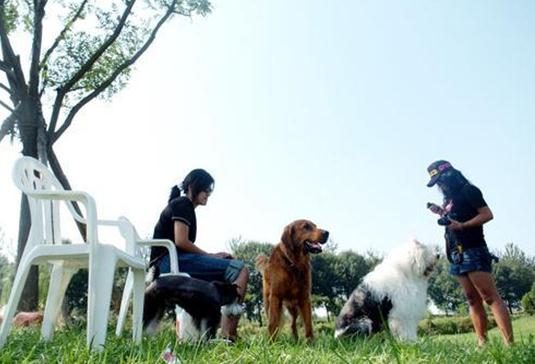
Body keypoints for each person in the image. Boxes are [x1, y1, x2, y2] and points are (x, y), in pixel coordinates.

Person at [149, 168, 249, 341]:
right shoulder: (183, 204)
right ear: (193, 187)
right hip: (167, 263)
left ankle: (216, 333)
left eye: (209, 190)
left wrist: (212, 257)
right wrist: (211, 256)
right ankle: (229, 334)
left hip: (169, 262)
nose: (208, 193)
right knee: (239, 270)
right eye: (205, 189)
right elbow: (181, 241)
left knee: (229, 273)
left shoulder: (184, 206)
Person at [426, 160, 513, 346]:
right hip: (456, 253)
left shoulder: (469, 190)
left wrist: (463, 226)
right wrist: (441, 213)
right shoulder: (448, 199)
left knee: (489, 296)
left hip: (473, 248)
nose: (440, 185)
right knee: (472, 299)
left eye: (441, 181)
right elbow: (454, 218)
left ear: (450, 175)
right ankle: (482, 343)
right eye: (437, 183)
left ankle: (509, 344)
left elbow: (487, 214)